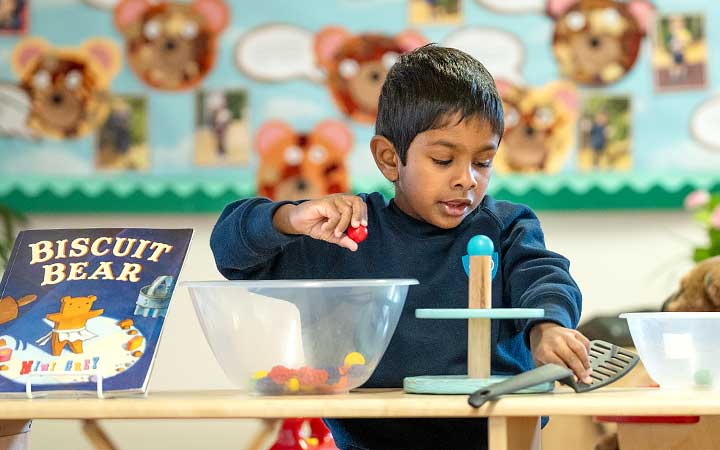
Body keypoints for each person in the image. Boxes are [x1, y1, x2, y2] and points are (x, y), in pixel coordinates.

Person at [210, 44, 589, 450]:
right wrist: (290, 219)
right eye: (444, 160)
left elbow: (545, 275)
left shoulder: (505, 227)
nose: (467, 179)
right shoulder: (346, 233)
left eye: (483, 162)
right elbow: (231, 253)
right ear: (390, 159)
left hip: (497, 437)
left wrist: (547, 328)